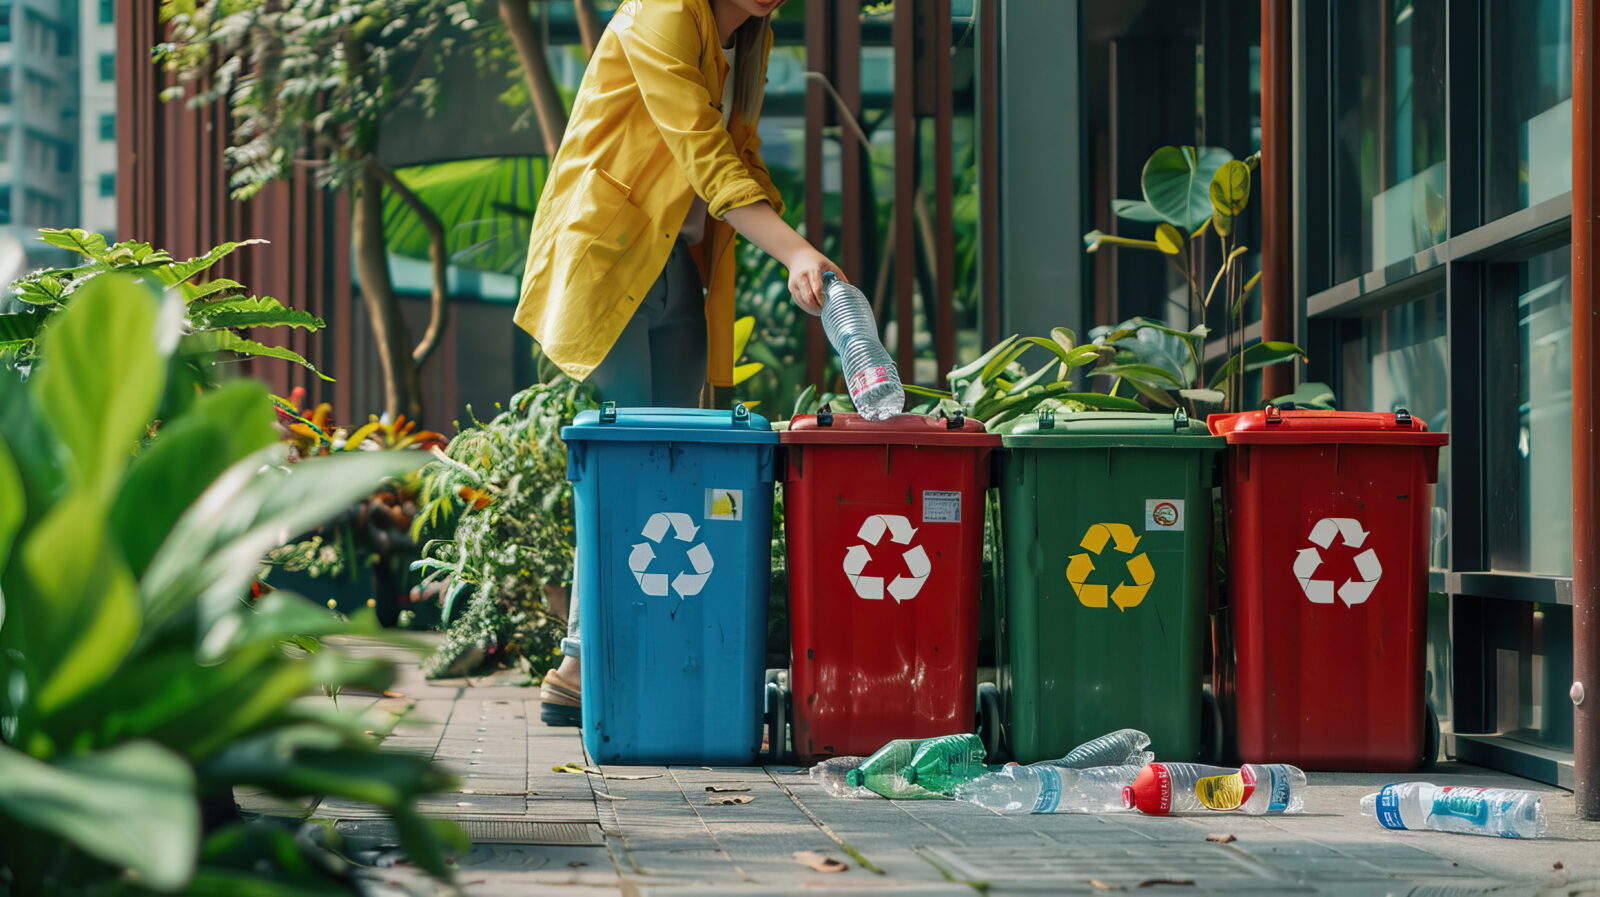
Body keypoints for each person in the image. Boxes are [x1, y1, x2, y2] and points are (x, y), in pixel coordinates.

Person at [514, 0, 846, 725]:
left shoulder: (744, 40)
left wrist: (796, 244)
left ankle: (625, 651)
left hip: (674, 263)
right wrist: (793, 249)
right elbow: (704, 151)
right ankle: (580, 660)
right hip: (609, 257)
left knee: (671, 463)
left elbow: (742, 152)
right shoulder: (661, 12)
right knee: (628, 461)